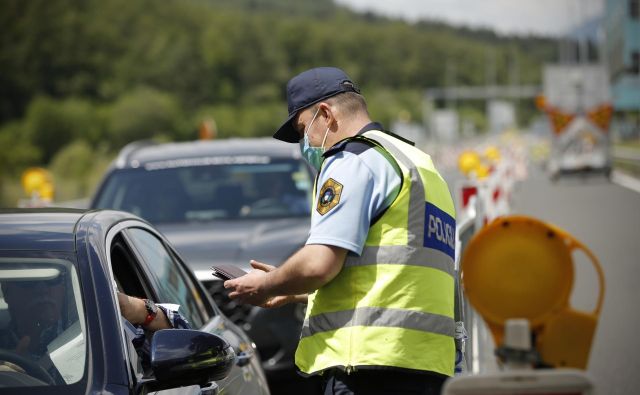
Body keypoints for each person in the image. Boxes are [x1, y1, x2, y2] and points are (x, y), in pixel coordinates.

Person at [224, 67, 457, 394]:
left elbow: (319, 263)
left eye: (303, 130)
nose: (306, 144)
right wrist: (294, 289)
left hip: (367, 369)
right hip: (426, 365)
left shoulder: (352, 159)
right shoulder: (418, 165)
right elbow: (392, 274)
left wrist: (265, 284)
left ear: (326, 114)